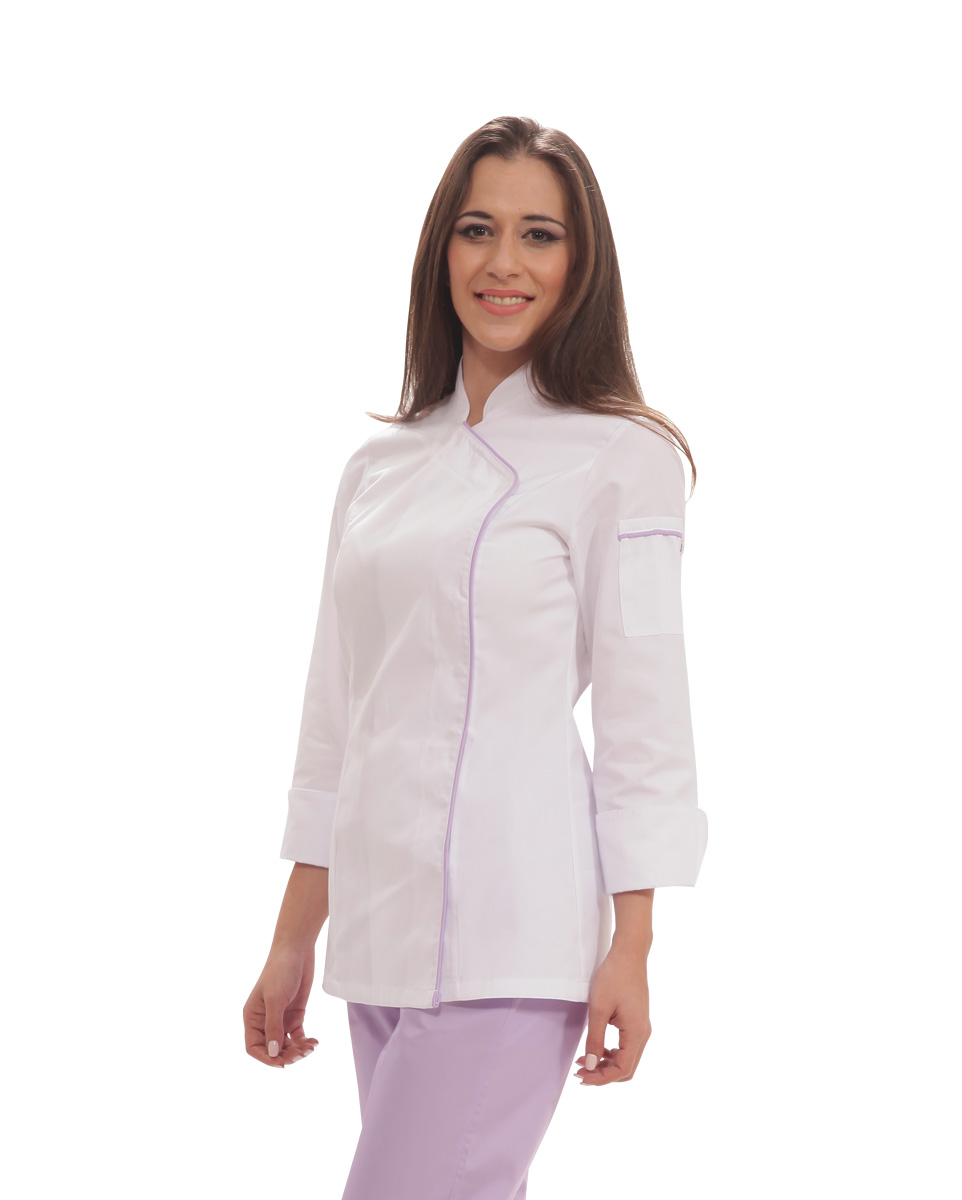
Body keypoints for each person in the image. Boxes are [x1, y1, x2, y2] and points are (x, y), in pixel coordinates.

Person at [243, 114, 709, 1198]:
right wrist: (292, 936)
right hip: (378, 928)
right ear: (439, 251)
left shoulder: (623, 456)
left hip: (512, 930)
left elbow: (644, 716)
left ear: (580, 264)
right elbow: (337, 712)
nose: (504, 262)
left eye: (539, 234)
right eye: (476, 229)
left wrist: (634, 943)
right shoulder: (378, 466)